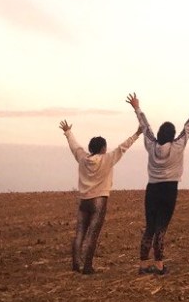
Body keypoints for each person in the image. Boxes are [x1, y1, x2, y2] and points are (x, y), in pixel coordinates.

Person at [127, 91, 189, 276]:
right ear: (172, 135)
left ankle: (143, 265)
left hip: (152, 189)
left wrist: (136, 107)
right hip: (169, 190)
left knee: (150, 227)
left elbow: (145, 127)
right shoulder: (178, 146)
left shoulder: (151, 145)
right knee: (161, 228)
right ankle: (160, 266)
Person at [60, 116, 142, 274]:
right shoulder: (108, 159)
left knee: (80, 232)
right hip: (99, 200)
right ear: (103, 148)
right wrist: (137, 133)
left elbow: (74, 146)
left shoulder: (83, 158)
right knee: (92, 234)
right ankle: (87, 266)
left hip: (84, 200)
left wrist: (68, 132)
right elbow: (123, 147)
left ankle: (76, 264)